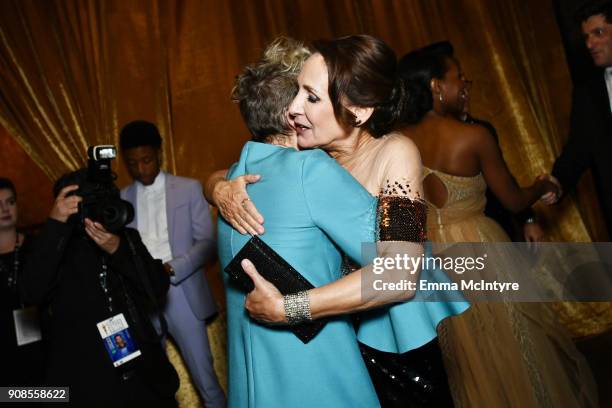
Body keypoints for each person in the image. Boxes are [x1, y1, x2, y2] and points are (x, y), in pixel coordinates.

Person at [210, 35, 468, 407]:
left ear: (358, 110)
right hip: (338, 344)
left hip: (393, 353)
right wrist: (218, 188)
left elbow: (400, 273)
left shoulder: (394, 153)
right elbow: (231, 171)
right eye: (297, 92)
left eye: (311, 98)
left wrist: (289, 308)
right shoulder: (311, 157)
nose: (293, 109)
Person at [398, 44, 598, 407]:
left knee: (470, 354)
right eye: (458, 77)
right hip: (482, 248)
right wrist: (541, 184)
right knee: (516, 344)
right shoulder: (472, 137)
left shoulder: (398, 143)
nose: (464, 84)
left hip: (434, 260)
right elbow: (514, 202)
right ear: (435, 86)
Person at [20, 170, 179, 406]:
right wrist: (55, 225)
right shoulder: (54, 245)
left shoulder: (124, 238)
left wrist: (118, 250)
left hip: (139, 375)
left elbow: (157, 286)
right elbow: (30, 292)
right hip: (85, 378)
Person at [119, 121, 226, 407]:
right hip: (142, 299)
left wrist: (171, 269)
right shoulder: (121, 200)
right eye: (132, 163)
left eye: (147, 160)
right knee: (155, 385)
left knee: (206, 381)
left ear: (159, 153)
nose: (141, 169)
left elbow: (206, 243)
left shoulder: (189, 189)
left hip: (182, 292)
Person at [546, 1, 612, 237]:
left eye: (599, 33)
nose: (590, 43)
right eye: (586, 36)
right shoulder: (587, 90)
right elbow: (579, 147)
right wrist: (557, 180)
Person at [0, 177, 45, 387]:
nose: (5, 209)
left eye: (10, 202)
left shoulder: (37, 248)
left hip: (43, 352)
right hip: (6, 361)